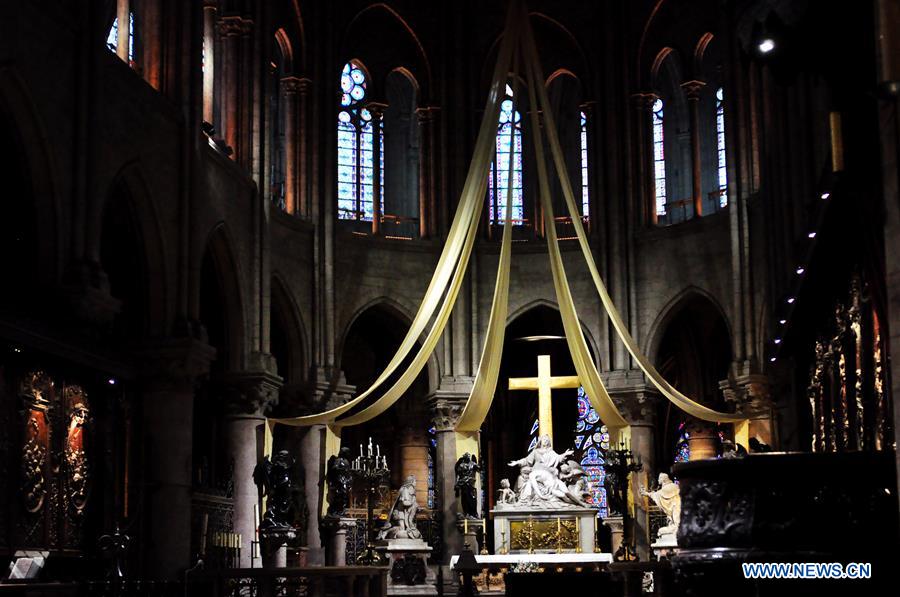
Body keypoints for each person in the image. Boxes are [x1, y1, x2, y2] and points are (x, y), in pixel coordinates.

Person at [379, 475, 422, 540]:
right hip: (399, 512)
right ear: (411, 482)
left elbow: (412, 503)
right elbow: (404, 503)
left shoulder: (412, 491)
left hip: (406, 514)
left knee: (405, 529)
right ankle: (385, 532)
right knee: (401, 528)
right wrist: (413, 503)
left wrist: (417, 507)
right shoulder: (404, 489)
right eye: (415, 481)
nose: (415, 483)